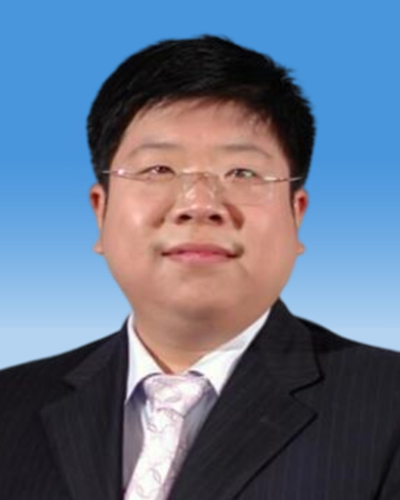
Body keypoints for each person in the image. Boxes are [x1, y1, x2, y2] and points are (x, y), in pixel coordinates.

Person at [1, 35, 399, 500]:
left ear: (297, 214)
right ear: (100, 210)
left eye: (242, 173)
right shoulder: (10, 404)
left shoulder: (387, 406)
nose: (199, 205)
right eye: (158, 170)